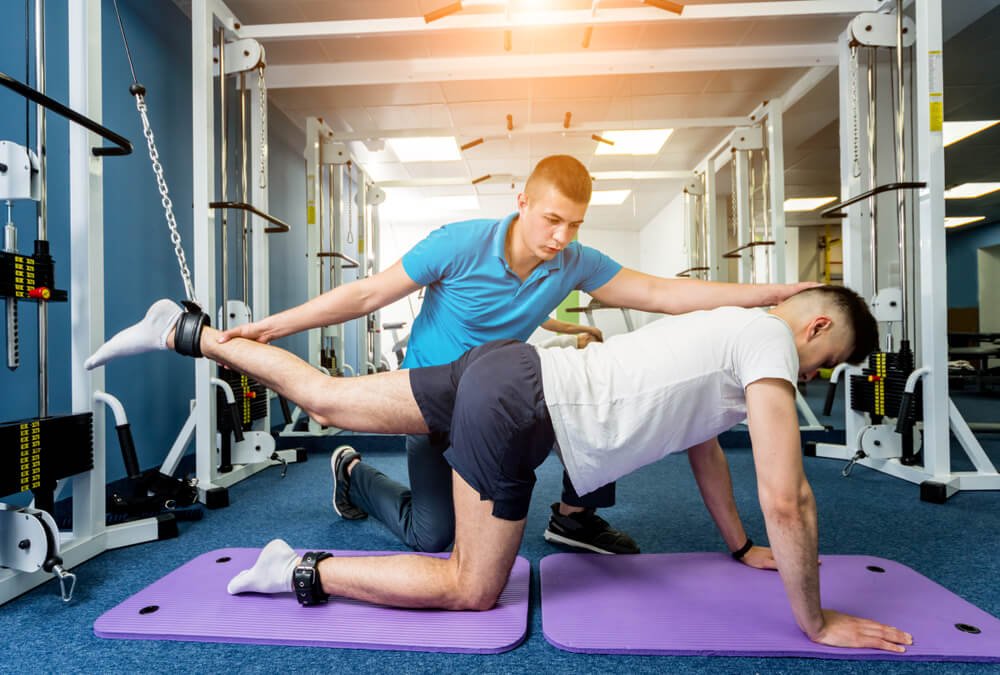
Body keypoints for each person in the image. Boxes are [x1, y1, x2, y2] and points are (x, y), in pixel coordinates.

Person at [85, 285, 912, 653]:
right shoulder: (766, 340)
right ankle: (299, 568)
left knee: (330, 399)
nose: (810, 381)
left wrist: (736, 548)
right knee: (471, 585)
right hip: (524, 411)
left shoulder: (730, 336)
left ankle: (186, 332)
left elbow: (704, 446)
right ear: (810, 330)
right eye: (823, 362)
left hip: (509, 370)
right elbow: (788, 494)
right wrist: (815, 618)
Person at [211, 154, 816, 556]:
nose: (561, 238)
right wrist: (269, 328)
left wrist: (770, 295)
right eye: (552, 219)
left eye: (574, 225)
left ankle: (574, 515)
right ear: (521, 200)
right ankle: (353, 474)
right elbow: (366, 294)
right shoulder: (458, 243)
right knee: (433, 538)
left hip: (503, 396)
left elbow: (660, 292)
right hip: (428, 401)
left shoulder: (574, 262)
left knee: (607, 402)